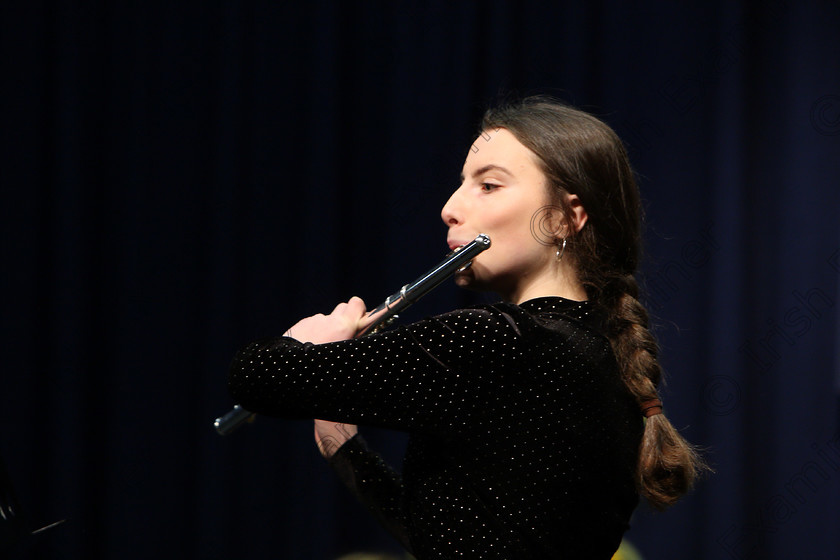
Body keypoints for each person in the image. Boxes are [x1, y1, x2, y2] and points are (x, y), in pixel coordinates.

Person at [228, 97, 706, 559]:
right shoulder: (604, 359)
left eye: (489, 186)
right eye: (461, 183)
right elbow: (458, 539)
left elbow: (259, 377)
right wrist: (345, 449)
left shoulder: (498, 341)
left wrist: (306, 344)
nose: (450, 207)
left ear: (565, 217)